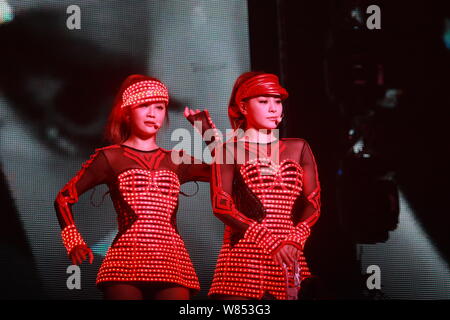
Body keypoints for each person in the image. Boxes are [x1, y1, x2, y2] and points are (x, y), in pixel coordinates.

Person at [54, 74, 212, 300]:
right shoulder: (110, 157)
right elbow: (63, 198)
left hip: (172, 261)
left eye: (159, 107)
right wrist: (73, 242)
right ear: (127, 112)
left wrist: (205, 129)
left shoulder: (176, 160)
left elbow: (228, 173)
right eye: (144, 106)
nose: (152, 113)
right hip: (125, 262)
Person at [208, 72, 321, 300]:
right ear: (243, 107)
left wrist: (295, 239)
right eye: (263, 101)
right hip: (243, 257)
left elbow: (313, 202)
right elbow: (222, 205)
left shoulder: (298, 147)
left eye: (277, 101)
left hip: (289, 255)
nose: (273, 108)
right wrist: (267, 240)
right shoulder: (229, 150)